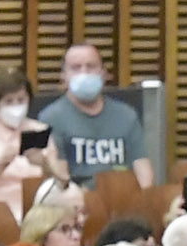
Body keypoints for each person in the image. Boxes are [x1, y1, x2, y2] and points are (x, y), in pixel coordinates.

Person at [44, 45, 154, 185]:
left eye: (91, 66)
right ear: (63, 77)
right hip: (75, 199)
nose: (84, 73)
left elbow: (143, 171)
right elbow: (59, 178)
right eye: (76, 68)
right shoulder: (51, 118)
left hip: (122, 196)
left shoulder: (126, 116)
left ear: (103, 74)